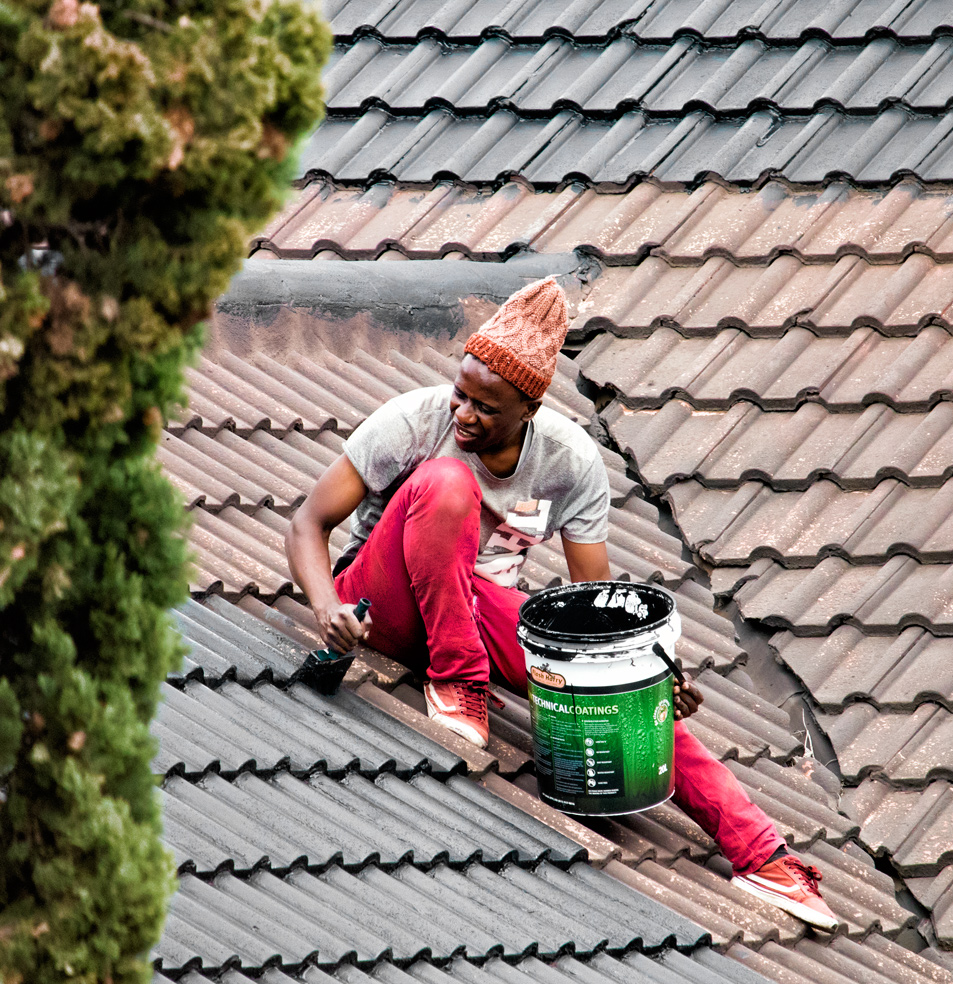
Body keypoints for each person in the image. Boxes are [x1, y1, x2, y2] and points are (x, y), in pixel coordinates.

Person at [284, 277, 839, 932]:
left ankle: (762, 854)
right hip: (378, 601)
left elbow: (592, 613)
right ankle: (458, 684)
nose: (463, 413)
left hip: (472, 606)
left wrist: (655, 676)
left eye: (485, 407)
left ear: (529, 408)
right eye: (461, 393)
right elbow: (306, 525)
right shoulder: (417, 419)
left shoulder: (571, 462)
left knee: (617, 682)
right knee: (445, 480)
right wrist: (326, 609)